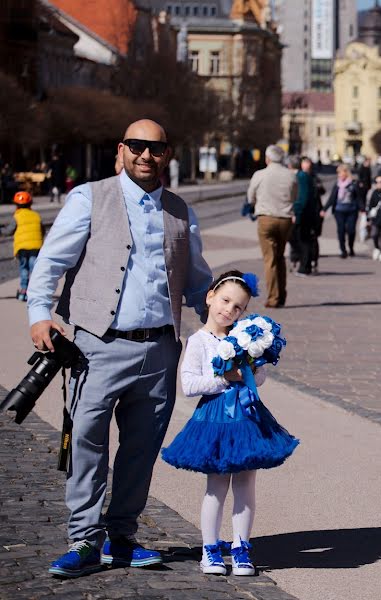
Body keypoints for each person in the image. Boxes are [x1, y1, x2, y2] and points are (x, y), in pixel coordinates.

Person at [27, 119, 213, 578]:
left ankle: (122, 537)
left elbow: (197, 282)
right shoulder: (90, 197)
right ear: (122, 149)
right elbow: (51, 261)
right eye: (137, 146)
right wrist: (39, 314)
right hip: (97, 344)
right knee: (87, 443)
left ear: (167, 153)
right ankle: (84, 539)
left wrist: (228, 325)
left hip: (159, 350)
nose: (146, 155)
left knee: (140, 449)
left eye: (155, 148)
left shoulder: (180, 210)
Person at [161, 270, 298, 576]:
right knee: (217, 484)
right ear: (210, 297)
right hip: (215, 419)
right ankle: (210, 548)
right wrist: (226, 377)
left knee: (246, 482)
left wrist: (255, 364)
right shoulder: (198, 341)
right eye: (225, 301)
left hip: (248, 418)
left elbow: (258, 380)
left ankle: (241, 547)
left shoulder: (245, 339)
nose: (229, 310)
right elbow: (190, 385)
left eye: (237, 307)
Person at [247, 145, 298, 308]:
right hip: (285, 219)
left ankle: (273, 298)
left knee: (270, 259)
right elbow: (294, 196)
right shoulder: (290, 175)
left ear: (267, 159)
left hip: (266, 218)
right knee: (280, 256)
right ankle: (281, 294)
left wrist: (257, 204)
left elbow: (250, 196)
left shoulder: (260, 174)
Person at [322, 163, 362, 259]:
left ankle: (351, 247)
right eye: (338, 173)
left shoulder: (353, 183)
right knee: (341, 230)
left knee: (351, 230)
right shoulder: (337, 184)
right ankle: (343, 250)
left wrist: (363, 209)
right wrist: (324, 209)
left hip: (352, 210)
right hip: (339, 211)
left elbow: (359, 198)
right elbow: (332, 198)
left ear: (346, 173)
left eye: (340, 173)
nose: (339, 175)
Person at [9, 191, 43, 302]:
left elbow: (9, 230)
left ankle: (24, 291)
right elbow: (42, 230)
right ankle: (34, 291)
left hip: (22, 248)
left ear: (16, 205)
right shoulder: (36, 215)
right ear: (30, 203)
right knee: (34, 268)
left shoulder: (17, 216)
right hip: (35, 246)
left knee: (24, 268)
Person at [292, 156, 319, 276]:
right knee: (305, 240)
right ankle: (305, 265)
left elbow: (303, 197)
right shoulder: (306, 176)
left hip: (304, 215)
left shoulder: (302, 176)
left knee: (303, 240)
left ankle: (304, 267)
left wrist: (296, 212)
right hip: (309, 213)